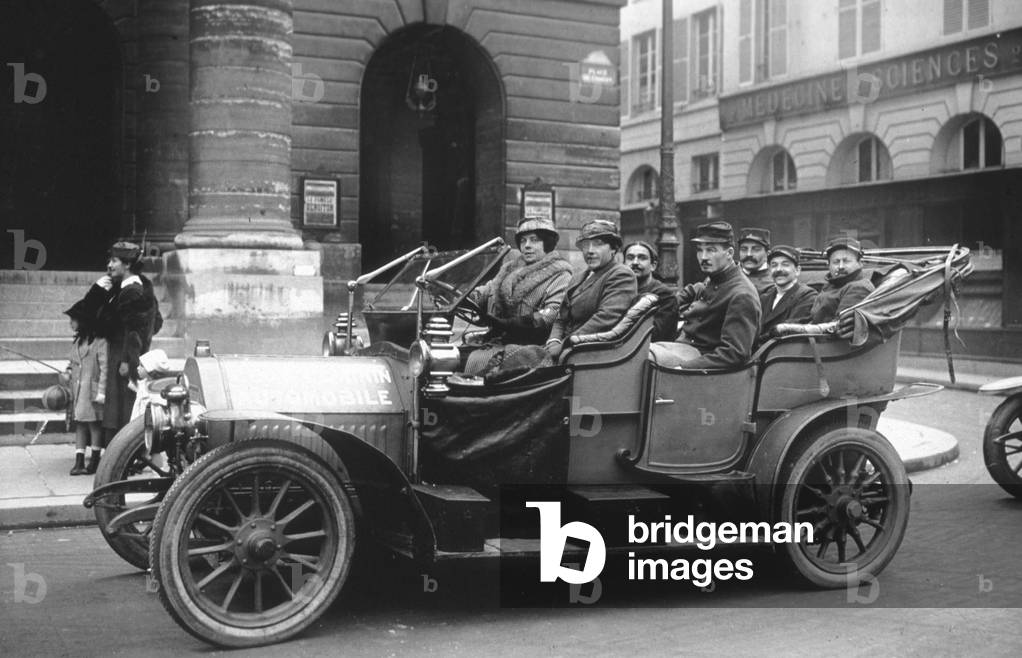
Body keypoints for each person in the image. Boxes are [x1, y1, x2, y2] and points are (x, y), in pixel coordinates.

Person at [649, 221, 761, 369]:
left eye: (711, 250)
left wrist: (685, 368)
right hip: (685, 348)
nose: (703, 257)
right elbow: (694, 291)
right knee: (640, 351)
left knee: (644, 357)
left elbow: (734, 354)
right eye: (700, 250)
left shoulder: (741, 294)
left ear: (729, 253)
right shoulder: (715, 278)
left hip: (703, 362)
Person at [96, 241, 163, 445]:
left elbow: (134, 330)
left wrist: (127, 360)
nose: (109, 265)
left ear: (126, 265)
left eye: (114, 260)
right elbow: (157, 321)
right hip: (123, 351)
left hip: (124, 355)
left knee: (123, 406)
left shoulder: (132, 291)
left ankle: (123, 453)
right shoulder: (131, 287)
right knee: (121, 404)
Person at [469, 217, 573, 345]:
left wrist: (510, 324)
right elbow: (486, 291)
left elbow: (551, 314)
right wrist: (464, 297)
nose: (527, 245)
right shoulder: (508, 269)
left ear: (548, 243)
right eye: (523, 241)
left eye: (534, 240)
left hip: (534, 347)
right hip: (497, 341)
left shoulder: (561, 275)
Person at [545, 220, 636, 359]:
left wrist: (563, 344)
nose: (590, 251)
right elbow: (561, 317)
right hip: (563, 349)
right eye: (585, 245)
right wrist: (553, 341)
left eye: (598, 244)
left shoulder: (621, 275)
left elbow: (604, 319)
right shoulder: (579, 276)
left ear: (613, 248)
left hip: (590, 353)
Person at [64, 300, 108, 475]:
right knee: (80, 424)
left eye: (73, 320)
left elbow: (104, 368)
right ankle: (79, 461)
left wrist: (102, 392)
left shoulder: (100, 342)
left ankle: (95, 459)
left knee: (93, 425)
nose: (71, 324)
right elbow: (72, 363)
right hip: (79, 392)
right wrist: (67, 371)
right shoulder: (77, 343)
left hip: (93, 392)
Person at [759, 245, 818, 342]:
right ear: (769, 271)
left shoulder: (807, 296)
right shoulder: (764, 297)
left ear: (797, 270)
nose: (778, 269)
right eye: (774, 265)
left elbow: (790, 331)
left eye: (785, 264)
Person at [623, 241, 679, 341]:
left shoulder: (664, 296)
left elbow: (655, 335)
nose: (635, 262)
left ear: (653, 265)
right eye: (630, 258)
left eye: (642, 258)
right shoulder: (620, 290)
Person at [737, 227, 773, 294]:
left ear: (767, 254)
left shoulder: (775, 281)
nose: (749, 254)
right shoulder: (730, 276)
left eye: (756, 249)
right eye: (744, 249)